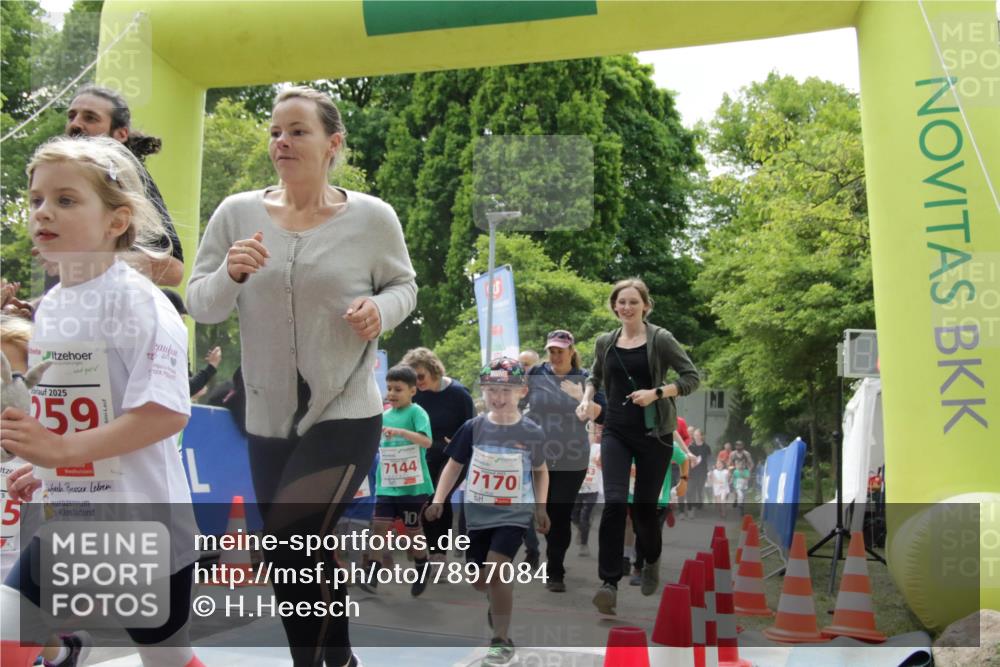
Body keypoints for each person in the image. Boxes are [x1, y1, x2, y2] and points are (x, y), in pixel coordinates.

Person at [186, 86, 417, 667]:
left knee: (291, 543)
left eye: (297, 131)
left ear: (332, 143)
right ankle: (341, 662)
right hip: (267, 416)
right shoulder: (236, 213)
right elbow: (202, 304)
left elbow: (404, 287)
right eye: (275, 132)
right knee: (299, 553)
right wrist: (230, 274)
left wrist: (380, 310)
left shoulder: (372, 218)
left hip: (345, 410)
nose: (281, 142)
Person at [0, 136, 202, 667]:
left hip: (143, 532)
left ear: (117, 221)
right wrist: (42, 464)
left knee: (167, 661)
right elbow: (71, 414)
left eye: (66, 200)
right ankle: (66, 655)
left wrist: (61, 452)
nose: (44, 211)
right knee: (5, 639)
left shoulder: (139, 302)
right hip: (70, 525)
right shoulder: (52, 308)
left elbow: (165, 412)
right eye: (37, 199)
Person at [577, 277, 700, 614]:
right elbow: (594, 377)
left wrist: (656, 393)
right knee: (615, 503)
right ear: (614, 306)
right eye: (621, 302)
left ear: (645, 305)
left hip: (654, 434)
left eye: (634, 301)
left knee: (645, 511)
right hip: (616, 431)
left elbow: (691, 378)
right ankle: (608, 583)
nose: (627, 307)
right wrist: (587, 399)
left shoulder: (661, 339)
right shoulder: (605, 341)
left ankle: (651, 560)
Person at [424, 357, 550, 667]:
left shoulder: (531, 431)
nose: (498, 396)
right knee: (480, 580)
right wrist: (439, 499)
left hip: (513, 515)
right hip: (477, 516)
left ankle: (501, 639)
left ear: (521, 391)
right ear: (483, 391)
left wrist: (541, 507)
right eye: (492, 389)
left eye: (506, 390)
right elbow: (453, 466)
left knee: (497, 570)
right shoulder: (473, 427)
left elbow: (540, 471)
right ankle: (495, 600)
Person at [59, 85, 185, 287]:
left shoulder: (127, 178)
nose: (75, 124)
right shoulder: (55, 179)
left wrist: (88, 262)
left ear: (121, 134)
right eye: (71, 116)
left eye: (90, 118)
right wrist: (37, 303)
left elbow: (173, 268)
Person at [523, 329, 604, 593]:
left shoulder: (586, 378)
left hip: (572, 456)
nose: (555, 356)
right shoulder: (536, 373)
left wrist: (580, 397)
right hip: (538, 454)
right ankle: (537, 551)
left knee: (559, 513)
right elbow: (518, 400)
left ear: (571, 351)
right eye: (551, 351)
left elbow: (603, 414)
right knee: (540, 509)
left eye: (560, 351)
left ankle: (555, 569)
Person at [401, 347, 475, 562]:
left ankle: (439, 556)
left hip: (455, 457)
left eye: (420, 376)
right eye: (413, 379)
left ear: (433, 369)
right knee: (424, 499)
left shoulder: (458, 393)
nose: (417, 382)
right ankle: (431, 552)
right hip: (426, 455)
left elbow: (472, 426)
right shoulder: (416, 395)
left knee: (439, 498)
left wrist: (460, 440)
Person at [367, 365, 433, 597]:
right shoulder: (383, 416)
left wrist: (402, 433)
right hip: (387, 484)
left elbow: (427, 442)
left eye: (398, 389)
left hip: (413, 486)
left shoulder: (417, 413)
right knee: (379, 527)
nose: (392, 393)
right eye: (389, 389)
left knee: (413, 530)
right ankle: (372, 572)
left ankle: (422, 565)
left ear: (412, 391)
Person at [160, 288, 223, 396]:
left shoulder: (178, 342)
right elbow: (187, 388)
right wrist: (212, 366)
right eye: (179, 315)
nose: (183, 320)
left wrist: (200, 381)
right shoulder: (162, 345)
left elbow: (189, 385)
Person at [686, 427, 712, 517]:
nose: (696, 437)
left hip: (702, 472)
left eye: (697, 435)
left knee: (699, 490)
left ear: (701, 436)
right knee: (690, 490)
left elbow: (709, 459)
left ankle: (699, 504)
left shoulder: (706, 447)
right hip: (692, 472)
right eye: (695, 435)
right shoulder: (691, 446)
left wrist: (710, 470)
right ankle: (690, 509)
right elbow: (687, 458)